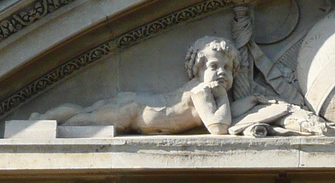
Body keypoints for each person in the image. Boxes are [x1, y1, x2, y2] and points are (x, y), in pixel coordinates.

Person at [31, 35, 241, 134]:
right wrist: (222, 95)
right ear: (198, 69)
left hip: (143, 104)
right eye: (214, 66)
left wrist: (256, 101)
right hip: (141, 112)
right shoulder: (201, 91)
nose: (222, 72)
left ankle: (42, 119)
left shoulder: (202, 90)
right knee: (86, 120)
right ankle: (45, 125)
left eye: (227, 68)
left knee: (87, 112)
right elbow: (218, 126)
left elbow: (233, 113)